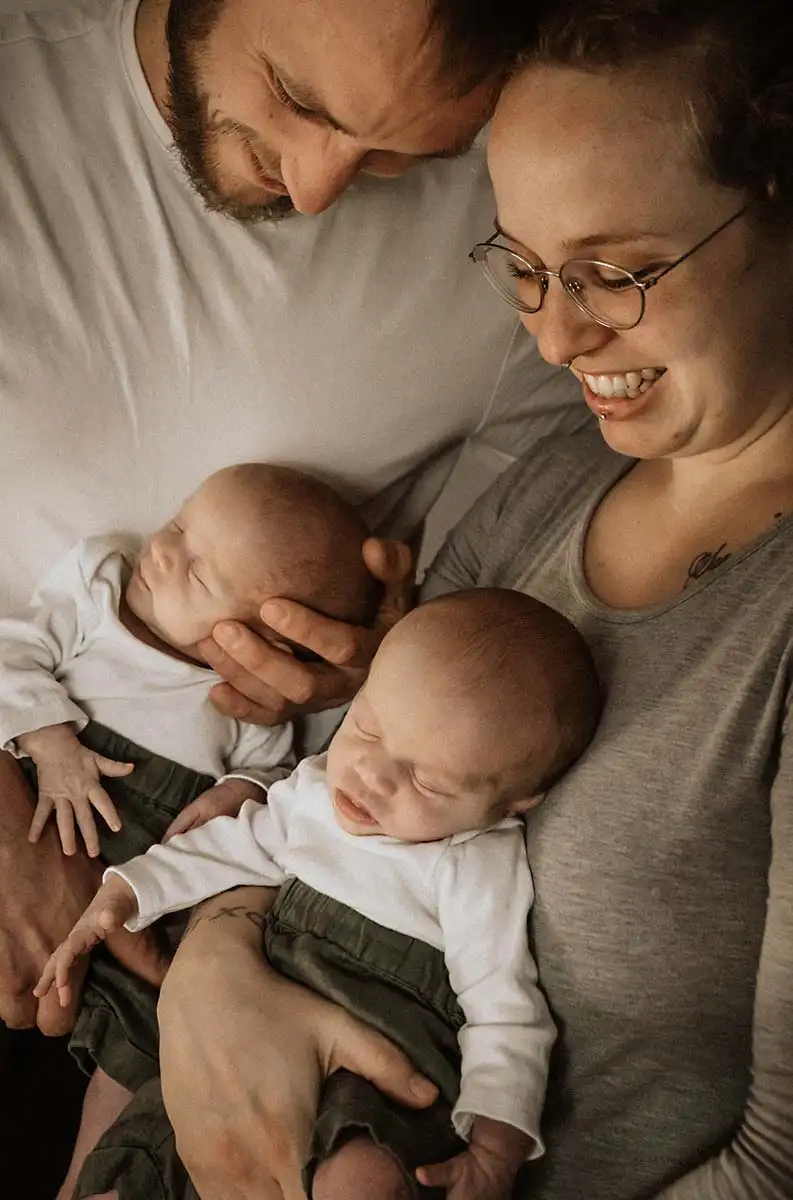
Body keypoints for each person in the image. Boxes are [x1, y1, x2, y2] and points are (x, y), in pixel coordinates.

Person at [144, 0, 793, 1197]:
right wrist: (214, 965)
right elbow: (338, 800)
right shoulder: (552, 476)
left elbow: (777, 1164)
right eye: (526, 268)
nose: (554, 340)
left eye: (613, 271)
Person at [0, 0, 584, 1049]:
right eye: (296, 97)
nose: (317, 187)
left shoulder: (517, 224)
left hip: (231, 856)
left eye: (402, 155)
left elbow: (471, 632)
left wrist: (376, 668)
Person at [37, 588, 601, 1200]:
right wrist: (122, 894)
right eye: (366, 725)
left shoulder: (475, 864)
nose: (370, 775)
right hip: (246, 1019)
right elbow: (227, 847)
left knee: (361, 1178)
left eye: (427, 781)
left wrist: (496, 1148)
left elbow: (504, 1005)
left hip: (377, 1053)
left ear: (512, 804)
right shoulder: (312, 792)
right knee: (132, 1168)